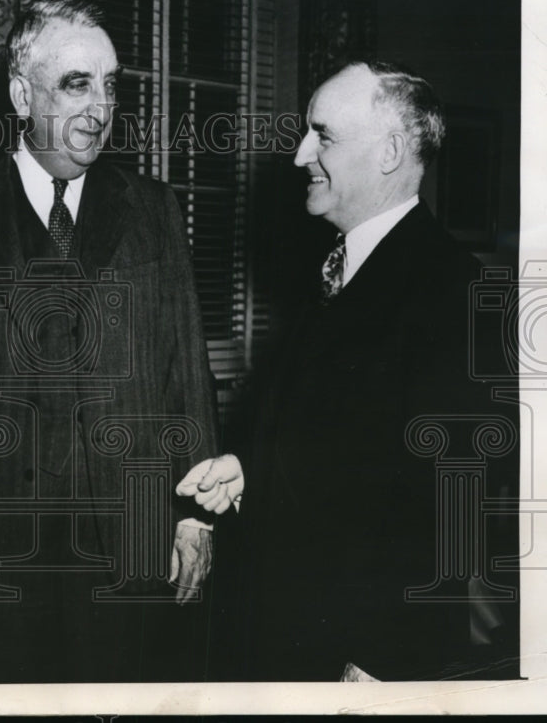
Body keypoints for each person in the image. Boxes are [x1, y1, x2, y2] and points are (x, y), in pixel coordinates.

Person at [0, 0, 219, 683]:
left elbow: (186, 373)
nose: (100, 107)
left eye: (110, 85)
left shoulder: (154, 212)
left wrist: (194, 518)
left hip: (131, 555)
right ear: (20, 94)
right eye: (77, 84)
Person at [178, 61, 519, 681]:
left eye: (323, 135)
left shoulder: (452, 289)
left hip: (361, 654)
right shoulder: (341, 269)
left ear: (390, 151)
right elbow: (351, 440)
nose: (300, 154)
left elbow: (449, 499)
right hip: (289, 633)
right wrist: (248, 468)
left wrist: (383, 657)